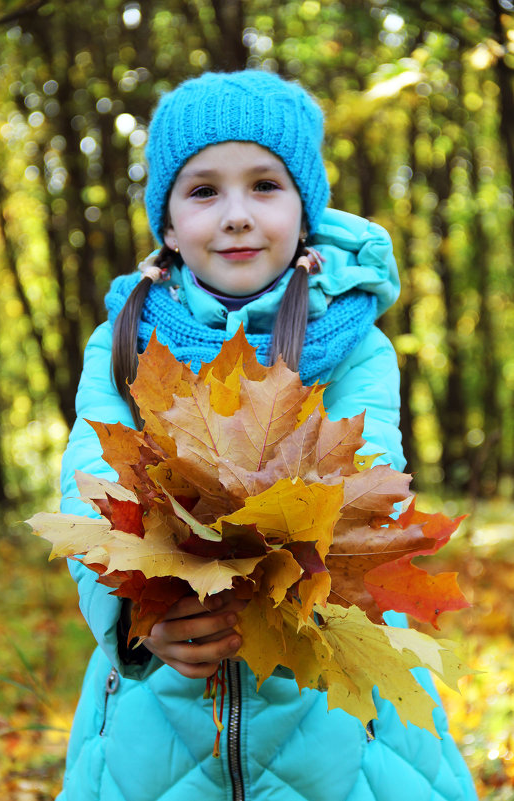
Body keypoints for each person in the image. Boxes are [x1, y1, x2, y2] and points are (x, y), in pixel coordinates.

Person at [58, 70, 477, 801]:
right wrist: (136, 607)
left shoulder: (351, 344)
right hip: (158, 711)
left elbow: (367, 465)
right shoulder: (123, 342)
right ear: (166, 224)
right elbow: (89, 479)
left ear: (304, 207)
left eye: (264, 185)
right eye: (202, 191)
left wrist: (274, 560)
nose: (236, 215)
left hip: (332, 696)